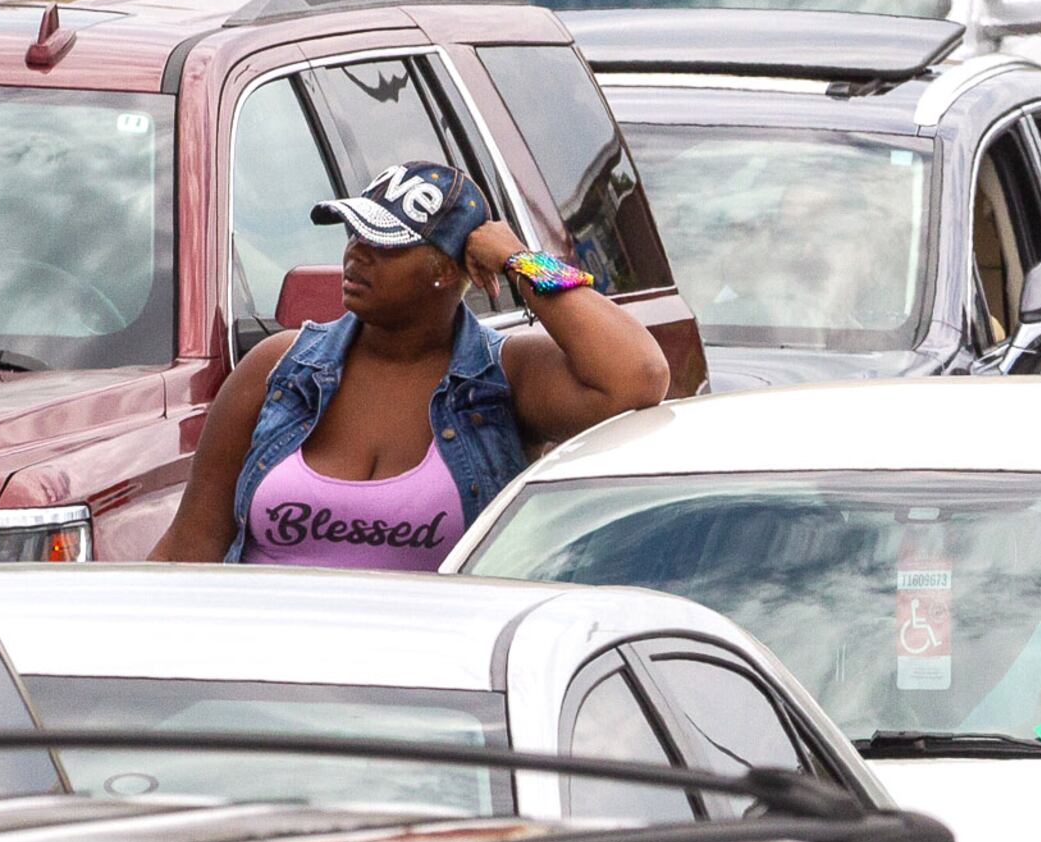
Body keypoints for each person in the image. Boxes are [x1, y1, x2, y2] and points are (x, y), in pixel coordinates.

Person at [162, 163, 670, 570]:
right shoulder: (281, 370)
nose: (357, 253)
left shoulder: (500, 379)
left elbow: (639, 375)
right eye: (354, 232)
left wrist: (520, 259)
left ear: (447, 270)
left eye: (384, 242)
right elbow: (190, 547)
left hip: (426, 688)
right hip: (258, 680)